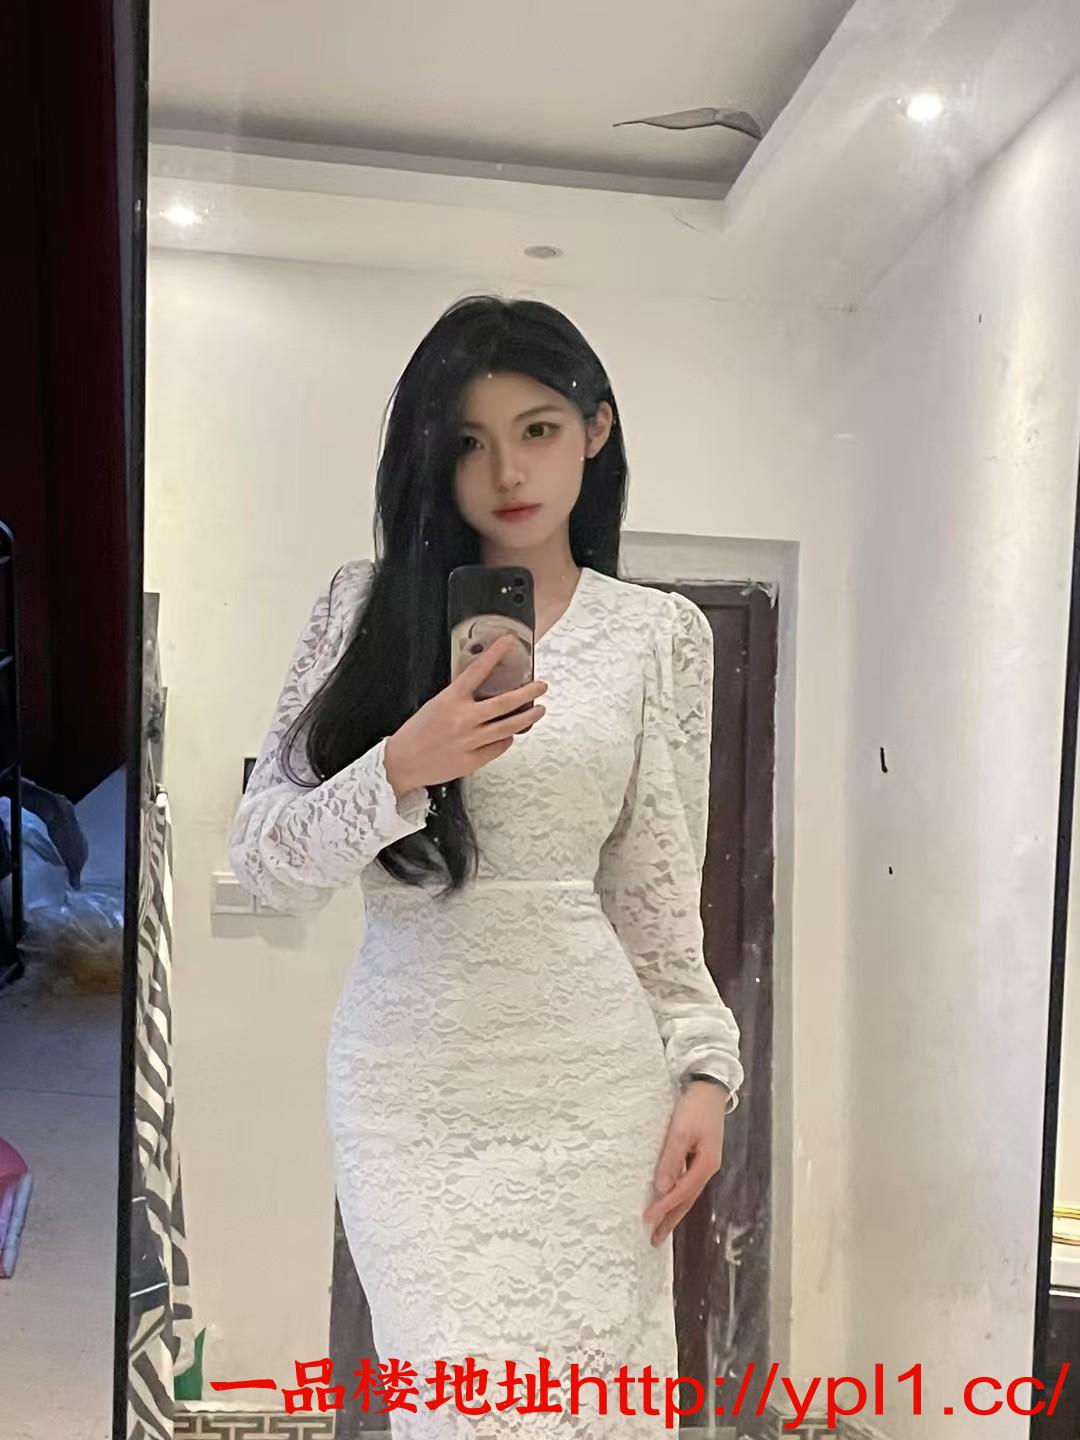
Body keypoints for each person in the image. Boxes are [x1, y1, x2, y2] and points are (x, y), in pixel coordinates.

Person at [229, 295, 744, 1436]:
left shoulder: (659, 635)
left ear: (596, 430)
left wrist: (706, 1075)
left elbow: (660, 905)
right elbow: (265, 863)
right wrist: (398, 767)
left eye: (538, 429)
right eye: (467, 441)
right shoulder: (360, 610)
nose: (505, 471)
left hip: (595, 1091)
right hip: (410, 1093)